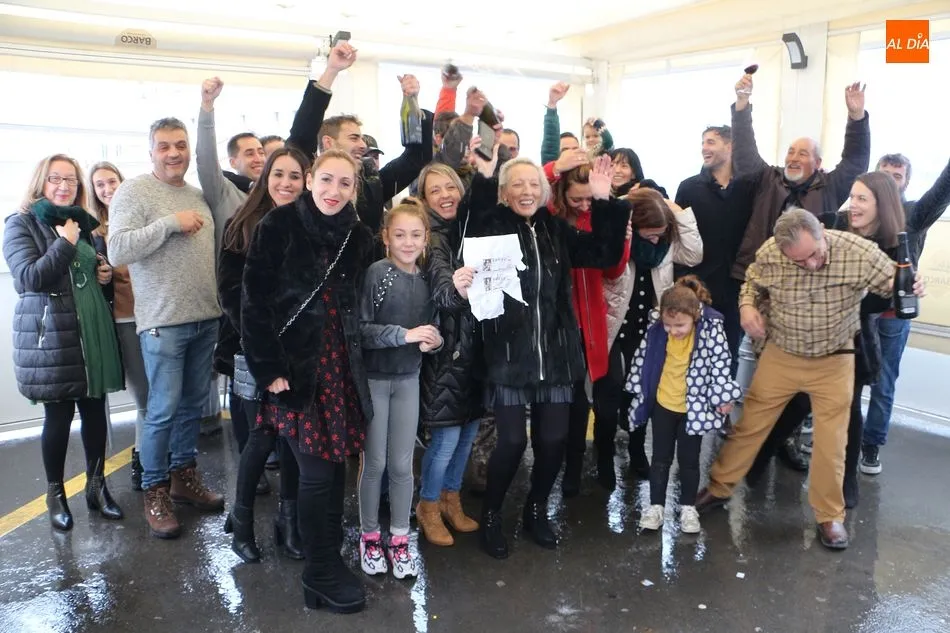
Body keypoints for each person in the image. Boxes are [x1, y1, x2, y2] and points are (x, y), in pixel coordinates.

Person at [696, 209, 924, 550]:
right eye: (800, 262)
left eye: (815, 254)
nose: (812, 264)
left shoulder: (858, 251)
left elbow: (894, 281)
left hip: (834, 360)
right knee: (750, 424)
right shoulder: (772, 253)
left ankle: (830, 517)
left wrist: (909, 283)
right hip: (783, 353)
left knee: (832, 442)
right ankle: (718, 487)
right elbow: (753, 284)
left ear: (822, 234)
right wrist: (746, 307)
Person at [461, 150, 628, 559]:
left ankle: (537, 509)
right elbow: (469, 226)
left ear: (544, 192)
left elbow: (604, 255)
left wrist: (605, 201)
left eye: (534, 184)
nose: (526, 190)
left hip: (556, 354)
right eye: (517, 184)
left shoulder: (556, 229)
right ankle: (493, 515)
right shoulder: (491, 225)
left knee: (553, 440)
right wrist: (482, 179)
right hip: (508, 355)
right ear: (503, 193)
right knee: (513, 442)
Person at [241, 149, 376, 613]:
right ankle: (319, 571)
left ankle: (328, 562)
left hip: (340, 369)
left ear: (355, 187)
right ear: (311, 179)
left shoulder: (358, 235)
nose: (334, 192)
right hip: (295, 371)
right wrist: (269, 368)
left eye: (345, 183)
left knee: (335, 470)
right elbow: (253, 302)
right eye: (326, 180)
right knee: (317, 475)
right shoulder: (278, 227)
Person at [731, 75, 871, 475]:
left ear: (818, 163)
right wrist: (743, 105)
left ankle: (786, 438)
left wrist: (856, 116)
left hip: (808, 297)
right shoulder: (766, 178)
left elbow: (857, 162)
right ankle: (756, 438)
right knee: (762, 363)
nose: (793, 157)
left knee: (803, 371)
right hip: (761, 289)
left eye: (803, 153)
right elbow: (744, 152)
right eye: (790, 152)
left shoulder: (831, 187)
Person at [108, 117, 225, 539]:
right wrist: (170, 223)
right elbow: (117, 248)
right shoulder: (134, 191)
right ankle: (154, 490)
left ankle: (183, 477)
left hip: (204, 318)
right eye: (164, 146)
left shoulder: (198, 194)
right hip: (162, 323)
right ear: (151, 151)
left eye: (180, 144)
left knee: (194, 406)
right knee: (161, 410)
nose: (173, 153)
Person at [3, 154, 124, 531]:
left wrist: (102, 272)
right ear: (41, 182)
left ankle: (96, 486)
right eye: (55, 178)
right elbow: (28, 279)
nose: (63, 185)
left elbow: (84, 271)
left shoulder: (80, 223)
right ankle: (55, 494)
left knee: (95, 410)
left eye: (70, 180)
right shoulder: (20, 223)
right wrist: (65, 244)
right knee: (58, 416)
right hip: (52, 330)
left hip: (92, 324)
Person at [218, 147, 309, 563]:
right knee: (263, 436)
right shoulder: (243, 226)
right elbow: (232, 296)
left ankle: (288, 523)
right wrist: (263, 349)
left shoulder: (308, 226)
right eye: (279, 175)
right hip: (253, 350)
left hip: (298, 354)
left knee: (293, 438)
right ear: (265, 178)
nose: (286, 183)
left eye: (295, 175)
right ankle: (242, 520)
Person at [357, 199, 442, 579]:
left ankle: (400, 539)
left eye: (416, 235)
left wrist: (432, 341)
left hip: (408, 380)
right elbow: (362, 331)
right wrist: (404, 336)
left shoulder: (426, 282)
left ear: (426, 240)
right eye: (400, 235)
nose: (408, 243)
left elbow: (433, 330)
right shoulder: (378, 273)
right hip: (375, 380)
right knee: (373, 463)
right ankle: (369, 536)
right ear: (386, 238)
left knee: (403, 465)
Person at [596, 188, 703, 489]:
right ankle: (603, 456)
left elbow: (694, 254)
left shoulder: (666, 245)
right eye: (649, 234)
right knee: (609, 394)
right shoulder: (619, 239)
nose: (655, 239)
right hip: (612, 328)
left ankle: (636, 450)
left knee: (642, 394)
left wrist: (677, 211)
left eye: (660, 233)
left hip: (648, 329)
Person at [626, 276, 741, 534]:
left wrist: (723, 397)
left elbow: (721, 364)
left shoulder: (711, 330)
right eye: (668, 325)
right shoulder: (656, 331)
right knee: (660, 459)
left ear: (694, 317)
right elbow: (642, 359)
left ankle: (688, 507)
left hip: (694, 408)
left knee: (689, 461)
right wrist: (638, 392)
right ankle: (656, 507)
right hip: (663, 405)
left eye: (679, 325)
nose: (673, 331)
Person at [545, 163, 633, 495]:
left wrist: (615, 230)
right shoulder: (553, 222)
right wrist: (554, 167)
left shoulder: (606, 214)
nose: (584, 206)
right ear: (562, 196)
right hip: (565, 325)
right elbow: (531, 191)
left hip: (601, 323)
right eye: (576, 199)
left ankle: (606, 457)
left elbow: (613, 270)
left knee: (609, 397)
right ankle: (574, 463)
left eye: (588, 199)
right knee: (575, 403)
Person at [860, 153, 950, 474]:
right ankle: (845, 438)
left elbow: (943, 190)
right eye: (884, 174)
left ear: (906, 182)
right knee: (849, 380)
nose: (889, 180)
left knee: (883, 383)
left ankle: (870, 446)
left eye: (896, 176)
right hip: (859, 313)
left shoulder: (915, 214)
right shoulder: (861, 211)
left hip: (894, 317)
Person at [416, 163, 484, 547]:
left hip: (472, 349)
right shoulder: (434, 237)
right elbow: (443, 292)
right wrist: (456, 290)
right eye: (435, 191)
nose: (445, 196)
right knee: (445, 440)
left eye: (450, 187)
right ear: (424, 200)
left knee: (467, 433)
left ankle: (450, 500)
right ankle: (428, 506)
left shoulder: (465, 227)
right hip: (447, 352)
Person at [835, 172, 906, 508]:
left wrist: (843, 298)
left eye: (862, 199)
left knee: (848, 412)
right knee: (797, 404)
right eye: (852, 197)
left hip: (856, 342)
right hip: (815, 338)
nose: (854, 205)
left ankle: (847, 481)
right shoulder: (835, 225)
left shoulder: (894, 244)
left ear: (882, 204)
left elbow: (882, 300)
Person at [88, 161, 149, 491]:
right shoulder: (94, 234)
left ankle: (164, 459)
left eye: (112, 181)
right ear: (94, 193)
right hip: (125, 321)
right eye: (100, 185)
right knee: (146, 397)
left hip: (157, 317)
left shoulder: (139, 219)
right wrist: (102, 278)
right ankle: (142, 461)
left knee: (166, 397)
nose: (108, 188)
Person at [674, 125, 756, 367]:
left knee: (727, 357)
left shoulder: (749, 188)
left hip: (734, 290)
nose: (704, 148)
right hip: (696, 288)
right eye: (703, 142)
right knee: (689, 357)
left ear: (730, 147)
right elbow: (678, 240)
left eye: (711, 142)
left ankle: (722, 405)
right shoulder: (688, 188)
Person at [316, 73, 433, 236]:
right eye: (354, 138)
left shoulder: (372, 183)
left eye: (362, 139)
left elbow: (416, 158)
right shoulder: (306, 185)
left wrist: (411, 103)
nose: (363, 145)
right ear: (329, 142)